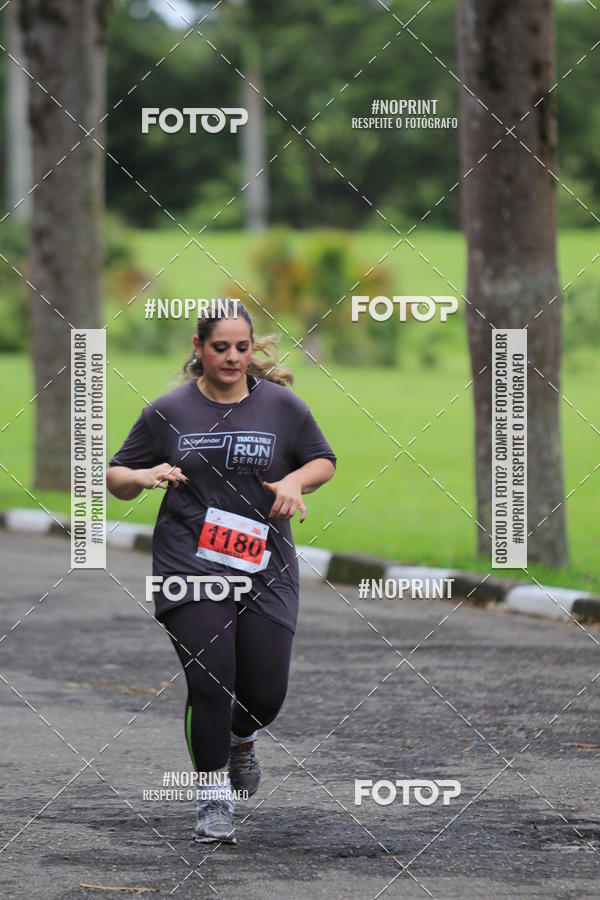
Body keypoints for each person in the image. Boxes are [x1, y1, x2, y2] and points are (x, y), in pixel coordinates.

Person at [106, 300, 336, 844]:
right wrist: (144, 475)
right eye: (220, 347)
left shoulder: (282, 407)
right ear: (198, 348)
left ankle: (240, 740)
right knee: (211, 681)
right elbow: (115, 475)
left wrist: (295, 483)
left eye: (241, 347)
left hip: (264, 562)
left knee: (263, 694)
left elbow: (322, 459)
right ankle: (213, 798)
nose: (232, 357)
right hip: (190, 558)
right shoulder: (168, 411)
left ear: (251, 349)